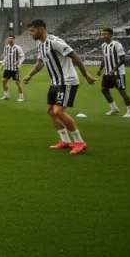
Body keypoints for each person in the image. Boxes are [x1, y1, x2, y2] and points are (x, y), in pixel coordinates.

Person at [22, 19, 97, 155]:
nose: (30, 34)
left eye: (32, 31)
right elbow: (40, 62)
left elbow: (74, 56)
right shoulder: (40, 45)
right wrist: (30, 74)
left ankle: (79, 141)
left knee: (59, 111)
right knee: (50, 111)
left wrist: (86, 75)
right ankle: (65, 141)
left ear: (40, 29)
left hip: (67, 80)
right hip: (55, 82)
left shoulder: (55, 42)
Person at [97, 28, 130, 117]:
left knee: (122, 92)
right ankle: (114, 108)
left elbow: (123, 59)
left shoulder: (117, 45)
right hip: (107, 73)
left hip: (118, 73)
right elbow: (104, 59)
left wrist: (114, 69)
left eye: (106, 34)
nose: (104, 36)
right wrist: (100, 69)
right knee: (104, 90)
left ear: (111, 35)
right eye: (103, 34)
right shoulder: (103, 46)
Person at [0, 34, 25, 101]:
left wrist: (19, 64)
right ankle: (6, 95)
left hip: (15, 69)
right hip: (8, 68)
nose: (10, 40)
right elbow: (5, 57)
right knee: (3, 81)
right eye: (9, 38)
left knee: (18, 82)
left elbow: (22, 56)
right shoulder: (6, 48)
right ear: (7, 39)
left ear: (14, 39)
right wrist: (2, 65)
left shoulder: (18, 48)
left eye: (11, 38)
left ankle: (21, 97)